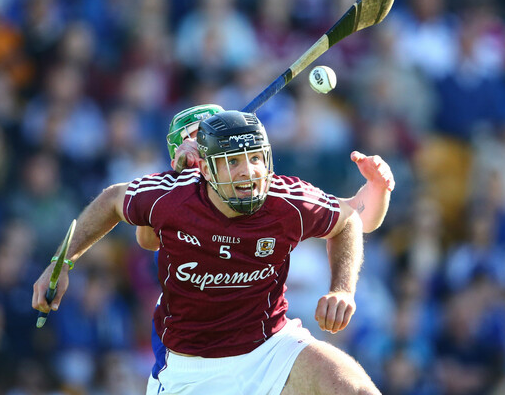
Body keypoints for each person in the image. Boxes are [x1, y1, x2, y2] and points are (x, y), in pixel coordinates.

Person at [33, 109, 383, 394]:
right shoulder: (173, 196)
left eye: (255, 158)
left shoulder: (286, 200)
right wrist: (61, 263)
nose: (248, 173)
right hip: (190, 369)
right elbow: (113, 201)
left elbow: (348, 220)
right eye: (233, 161)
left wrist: (342, 288)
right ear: (206, 168)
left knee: (356, 390)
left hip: (271, 348)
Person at [137, 104, 395, 386]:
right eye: (196, 141)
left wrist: (376, 188)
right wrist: (177, 175)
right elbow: (147, 239)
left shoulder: (264, 194)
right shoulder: (172, 202)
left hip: (262, 348)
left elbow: (354, 219)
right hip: (192, 361)